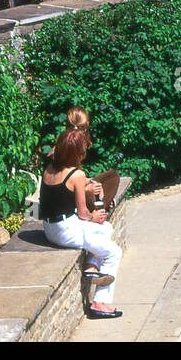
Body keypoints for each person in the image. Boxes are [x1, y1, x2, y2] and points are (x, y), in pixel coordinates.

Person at [39, 126, 123, 319]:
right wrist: (93, 216)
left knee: (106, 227)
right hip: (66, 230)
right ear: (78, 153)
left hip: (50, 228)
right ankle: (100, 304)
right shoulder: (77, 175)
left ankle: (91, 266)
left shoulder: (50, 167)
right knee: (113, 252)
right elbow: (84, 213)